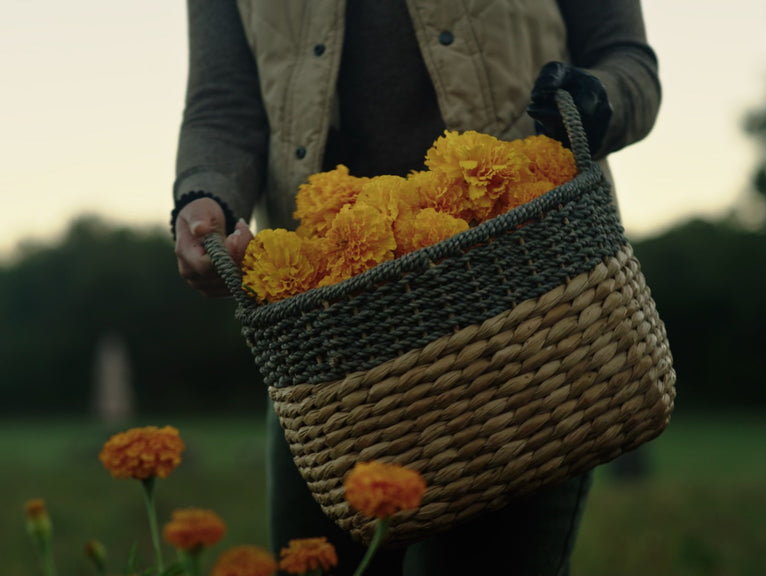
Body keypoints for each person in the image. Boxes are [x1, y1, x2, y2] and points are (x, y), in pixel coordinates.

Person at [171, 2, 660, 574]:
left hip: (522, 317)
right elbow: (222, 106)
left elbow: (628, 62)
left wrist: (597, 101)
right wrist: (205, 196)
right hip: (328, 340)